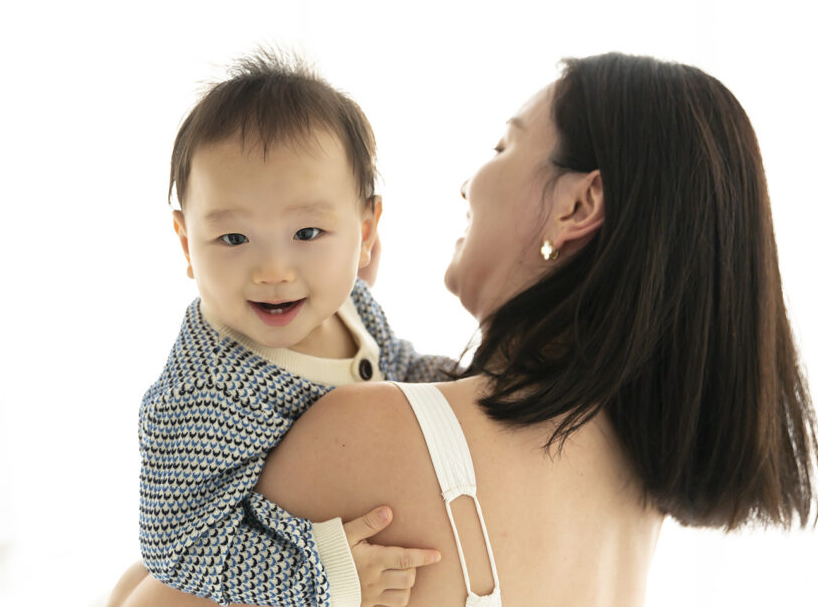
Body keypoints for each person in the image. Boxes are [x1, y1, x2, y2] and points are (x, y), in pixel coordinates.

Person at [112, 52, 818, 606]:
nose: (470, 181)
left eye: (504, 146)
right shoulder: (629, 457)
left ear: (579, 204)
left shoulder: (375, 429)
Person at [129, 51, 452, 607]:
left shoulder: (351, 303)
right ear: (187, 244)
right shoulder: (210, 392)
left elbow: (396, 365)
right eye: (233, 239)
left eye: (307, 232)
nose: (273, 272)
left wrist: (464, 382)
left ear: (366, 229)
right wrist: (321, 576)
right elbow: (176, 547)